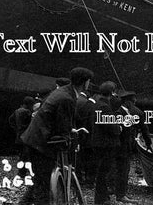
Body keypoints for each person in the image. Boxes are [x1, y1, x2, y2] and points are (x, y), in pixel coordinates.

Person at [20, 67, 93, 204]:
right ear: (85, 82)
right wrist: (69, 138)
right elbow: (63, 124)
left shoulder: (63, 91)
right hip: (40, 143)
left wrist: (68, 131)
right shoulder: (67, 98)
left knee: (40, 181)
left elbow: (56, 119)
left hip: (35, 139)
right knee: (44, 185)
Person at [114, 91, 152, 204]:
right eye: (133, 101)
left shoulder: (117, 112)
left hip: (121, 146)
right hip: (123, 146)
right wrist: (148, 144)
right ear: (128, 102)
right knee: (123, 170)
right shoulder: (135, 113)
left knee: (120, 170)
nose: (134, 103)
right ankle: (121, 194)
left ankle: (119, 192)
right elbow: (145, 130)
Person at [92, 82, 121, 205]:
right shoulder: (105, 107)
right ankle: (102, 199)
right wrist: (118, 128)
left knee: (101, 172)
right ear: (112, 93)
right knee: (104, 172)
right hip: (106, 145)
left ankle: (102, 198)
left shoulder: (97, 104)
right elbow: (112, 128)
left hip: (98, 143)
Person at [8, 96, 35, 177]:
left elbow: (10, 120)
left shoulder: (17, 111)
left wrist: (16, 128)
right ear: (29, 104)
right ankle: (22, 173)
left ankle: (21, 172)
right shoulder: (27, 112)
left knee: (22, 155)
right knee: (25, 155)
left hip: (19, 135)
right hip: (26, 136)